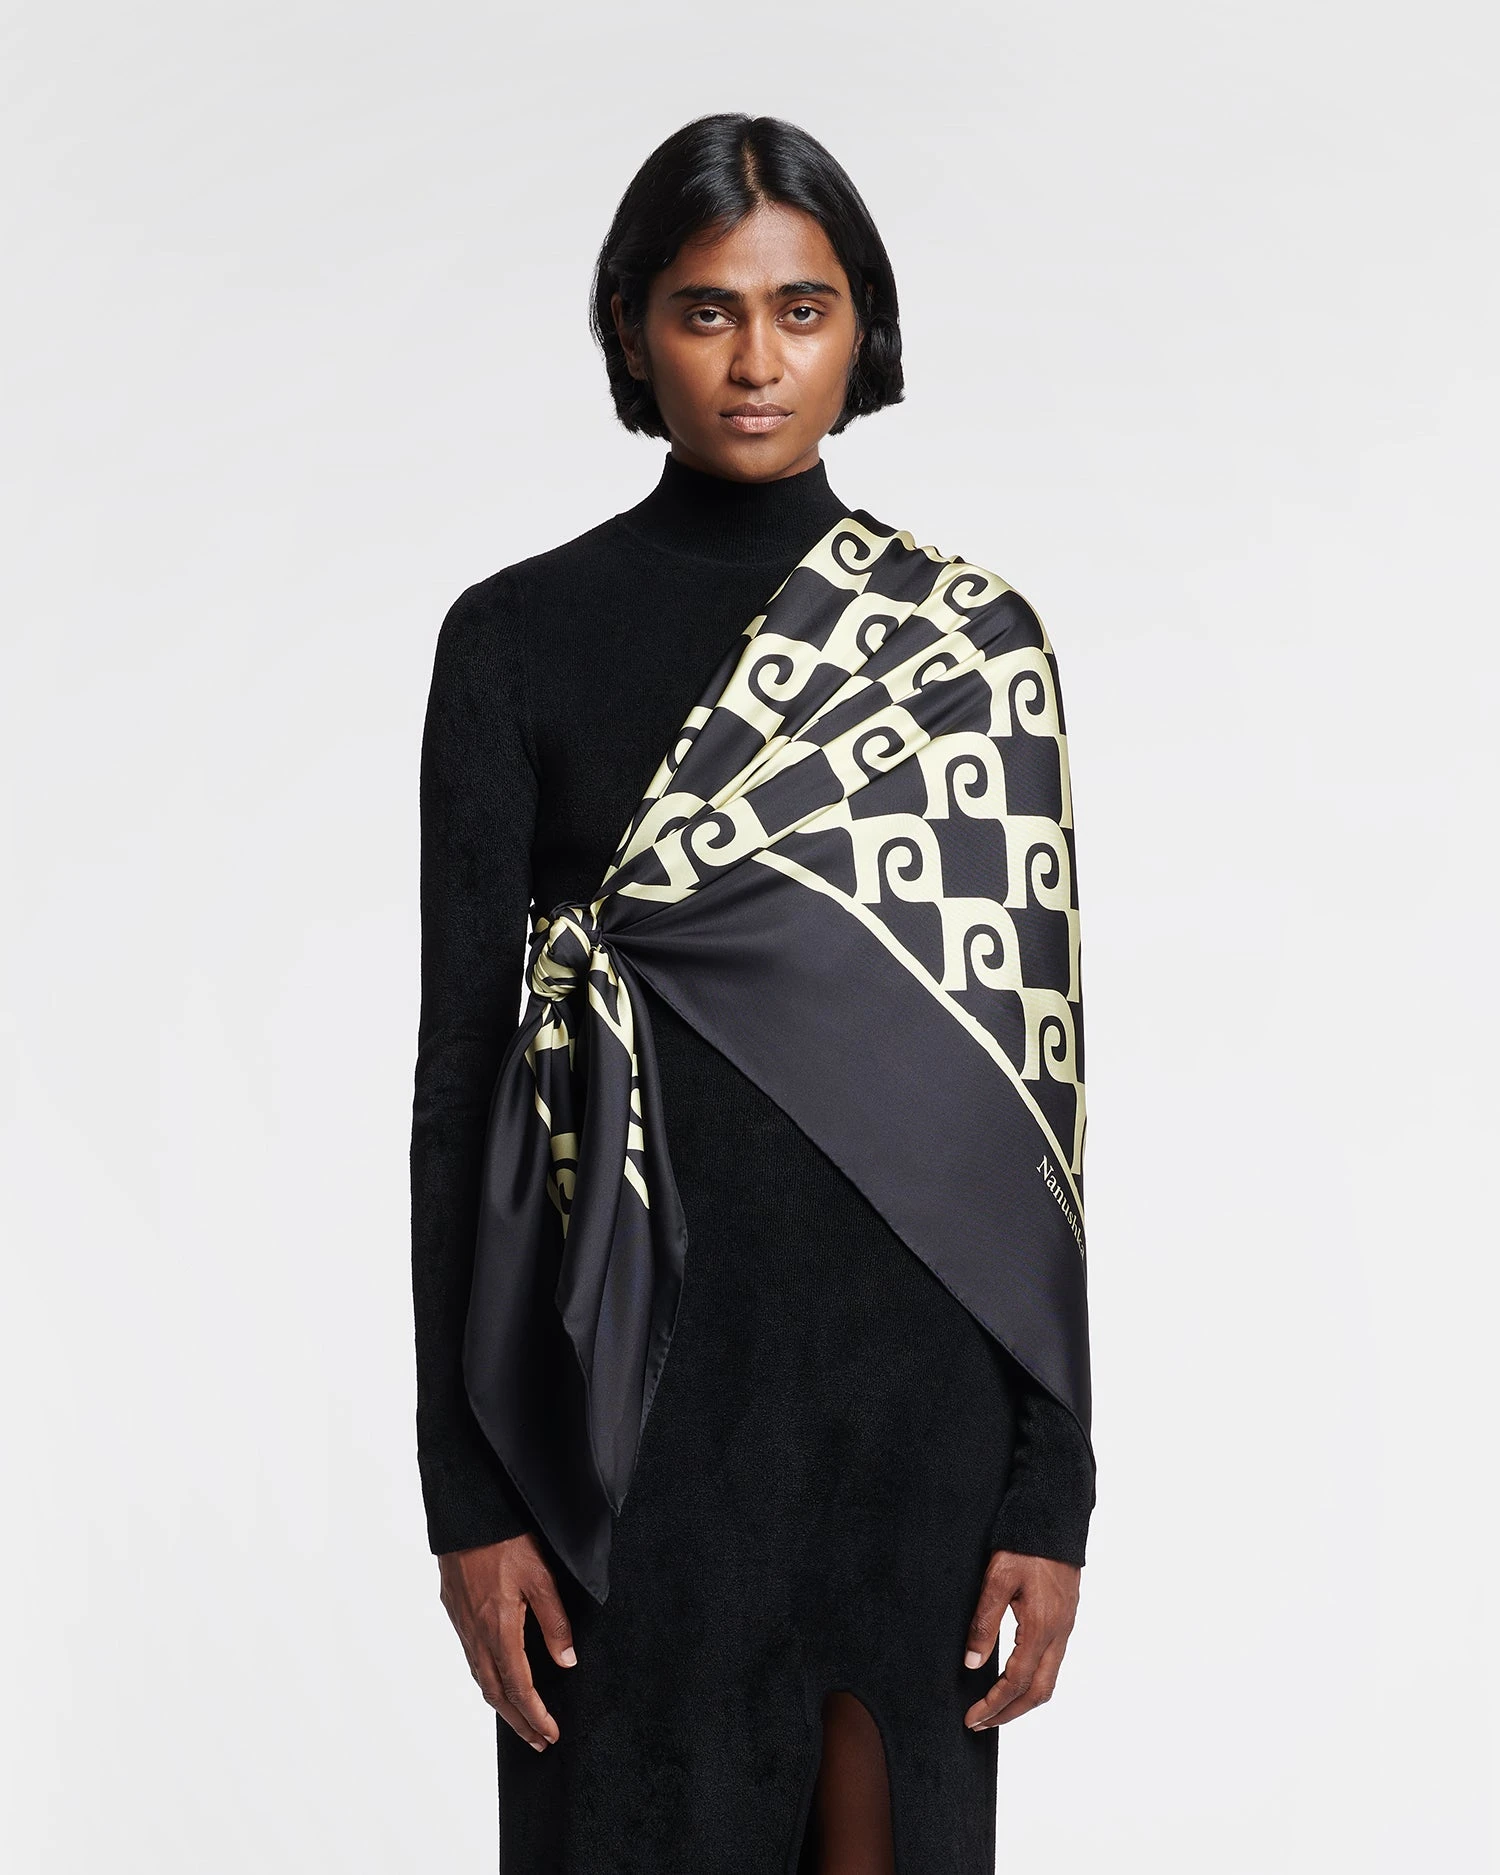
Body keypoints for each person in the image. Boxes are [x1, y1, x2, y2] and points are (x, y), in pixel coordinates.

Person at [410, 112, 1097, 1875]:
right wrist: (465, 1495)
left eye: (803, 308)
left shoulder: (968, 649)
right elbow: (459, 1077)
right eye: (708, 310)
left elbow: (1033, 1105)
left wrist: (1053, 1481)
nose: (757, 359)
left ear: (864, 327)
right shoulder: (513, 639)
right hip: (617, 1411)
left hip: (910, 1424)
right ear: (632, 328)